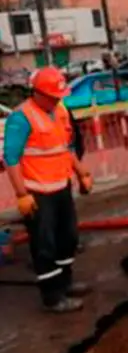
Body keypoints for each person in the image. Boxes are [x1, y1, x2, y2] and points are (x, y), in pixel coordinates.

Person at [4, 67, 93, 313]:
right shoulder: (22, 117)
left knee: (68, 238)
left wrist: (81, 172)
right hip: (37, 192)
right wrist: (22, 195)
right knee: (45, 245)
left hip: (61, 187)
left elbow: (65, 147)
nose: (57, 99)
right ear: (38, 93)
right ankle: (53, 297)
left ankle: (66, 283)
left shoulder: (61, 110)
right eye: (53, 95)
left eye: (59, 95)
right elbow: (11, 159)